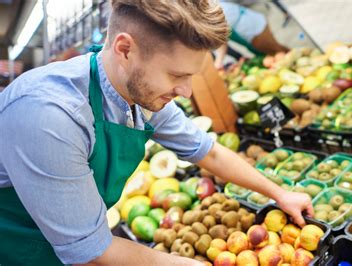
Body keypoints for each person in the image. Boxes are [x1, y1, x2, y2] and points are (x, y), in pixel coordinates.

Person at [0, 1, 313, 265]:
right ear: (125, 49)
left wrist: (280, 194)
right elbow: (92, 251)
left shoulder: (137, 92)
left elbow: (208, 150)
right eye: (176, 75)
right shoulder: (50, 116)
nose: (187, 92)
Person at [214, 0, 289, 69]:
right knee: (272, 58)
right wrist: (219, 61)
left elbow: (221, 37)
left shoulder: (211, 9)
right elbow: (220, 38)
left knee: (279, 53)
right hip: (249, 35)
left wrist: (218, 61)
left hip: (254, 29)